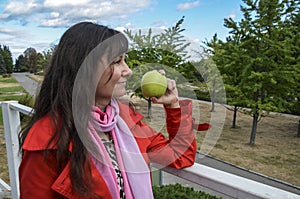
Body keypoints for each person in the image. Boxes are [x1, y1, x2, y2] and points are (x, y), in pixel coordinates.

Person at [18, 21, 196, 199]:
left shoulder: (126, 121)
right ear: (83, 68)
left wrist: (173, 106)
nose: (128, 71)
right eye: (117, 62)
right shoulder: (47, 140)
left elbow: (180, 156)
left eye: (125, 61)